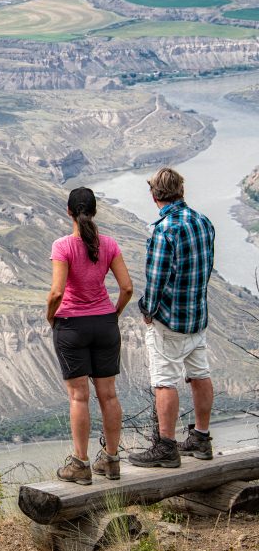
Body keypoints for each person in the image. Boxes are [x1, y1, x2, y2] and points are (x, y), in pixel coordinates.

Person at [129, 167, 216, 468]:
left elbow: (155, 281)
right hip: (197, 315)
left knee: (164, 381)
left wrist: (147, 311)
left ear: (154, 194)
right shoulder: (203, 222)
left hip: (169, 320)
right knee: (199, 374)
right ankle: (201, 438)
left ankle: (166, 447)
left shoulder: (164, 229)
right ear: (181, 190)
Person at [47, 187, 134, 485]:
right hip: (104, 324)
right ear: (95, 211)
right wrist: (113, 314)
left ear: (68, 212)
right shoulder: (108, 244)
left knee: (78, 397)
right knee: (108, 394)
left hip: (72, 326)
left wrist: (51, 317)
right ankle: (111, 461)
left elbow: (57, 291)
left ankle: (81, 464)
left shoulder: (63, 247)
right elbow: (127, 288)